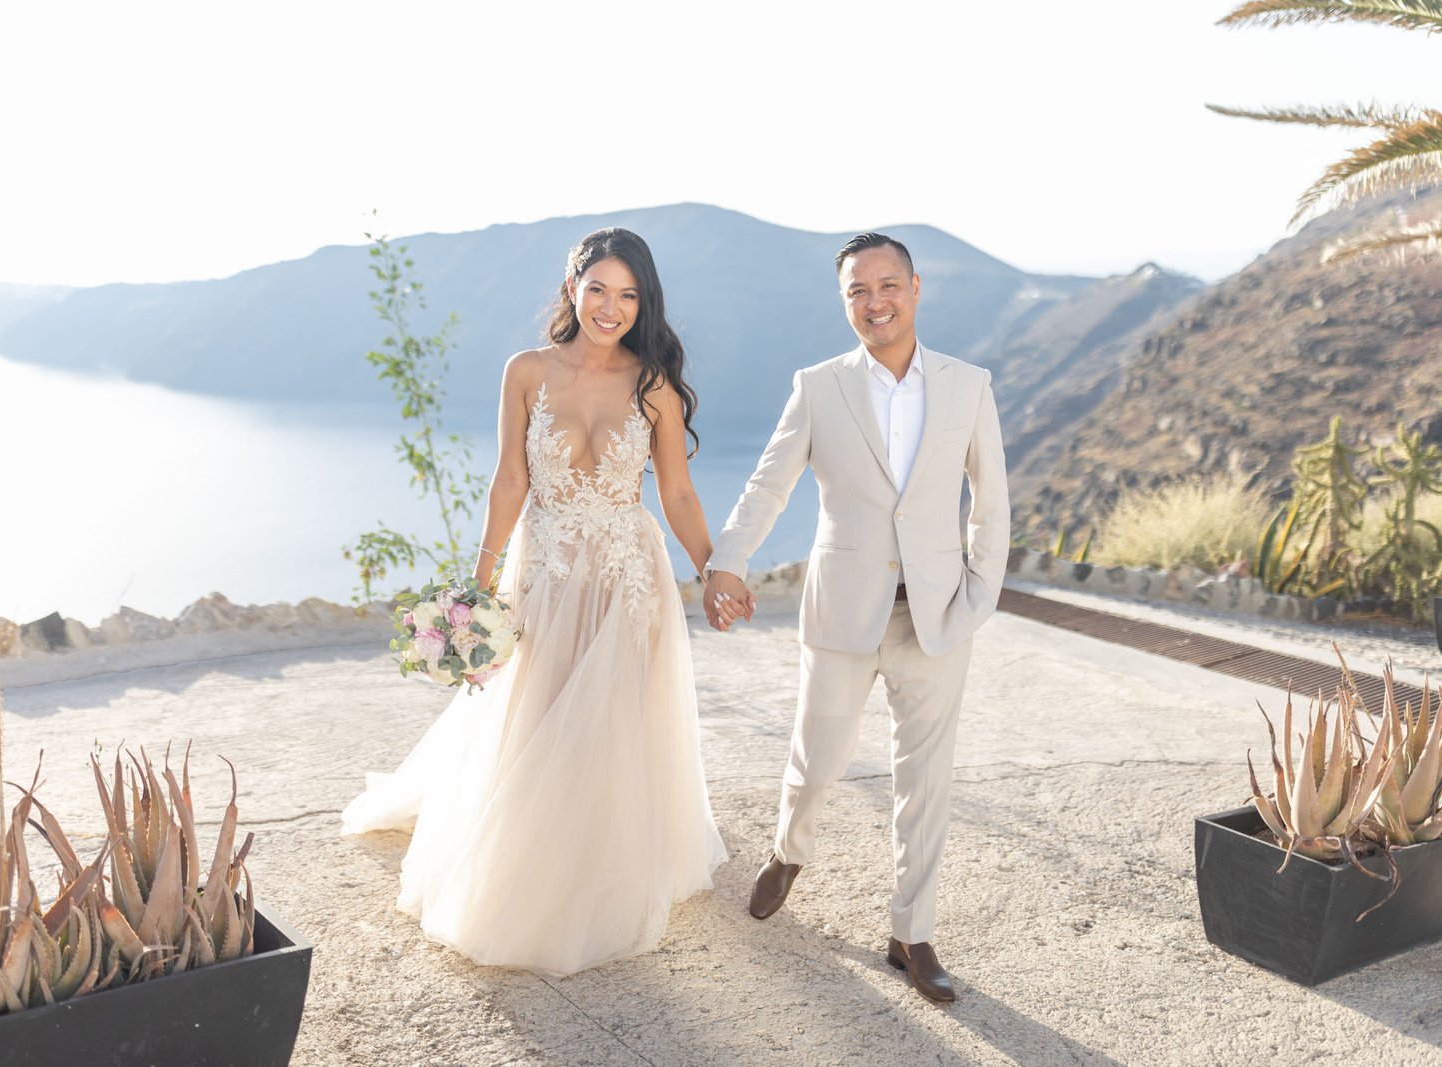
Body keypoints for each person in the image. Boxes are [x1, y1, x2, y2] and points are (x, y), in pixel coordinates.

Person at [343, 227, 728, 977]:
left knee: (612, 721)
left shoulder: (653, 385)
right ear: (571, 287)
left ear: (642, 302)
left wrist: (712, 569)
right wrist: (477, 591)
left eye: (628, 295)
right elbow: (509, 483)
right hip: (544, 568)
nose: (611, 307)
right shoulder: (526, 371)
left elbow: (676, 490)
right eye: (598, 289)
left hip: (626, 572)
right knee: (539, 712)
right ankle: (528, 860)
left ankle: (600, 868)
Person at [702, 232, 1009, 1003]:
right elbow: (770, 483)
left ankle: (913, 932)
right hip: (842, 609)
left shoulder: (968, 384)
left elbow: (991, 500)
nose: (874, 302)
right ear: (845, 303)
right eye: (856, 292)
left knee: (926, 780)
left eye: (887, 285)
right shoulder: (819, 385)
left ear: (915, 287)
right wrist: (728, 561)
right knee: (818, 760)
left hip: (937, 615)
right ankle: (788, 848)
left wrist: (979, 594)